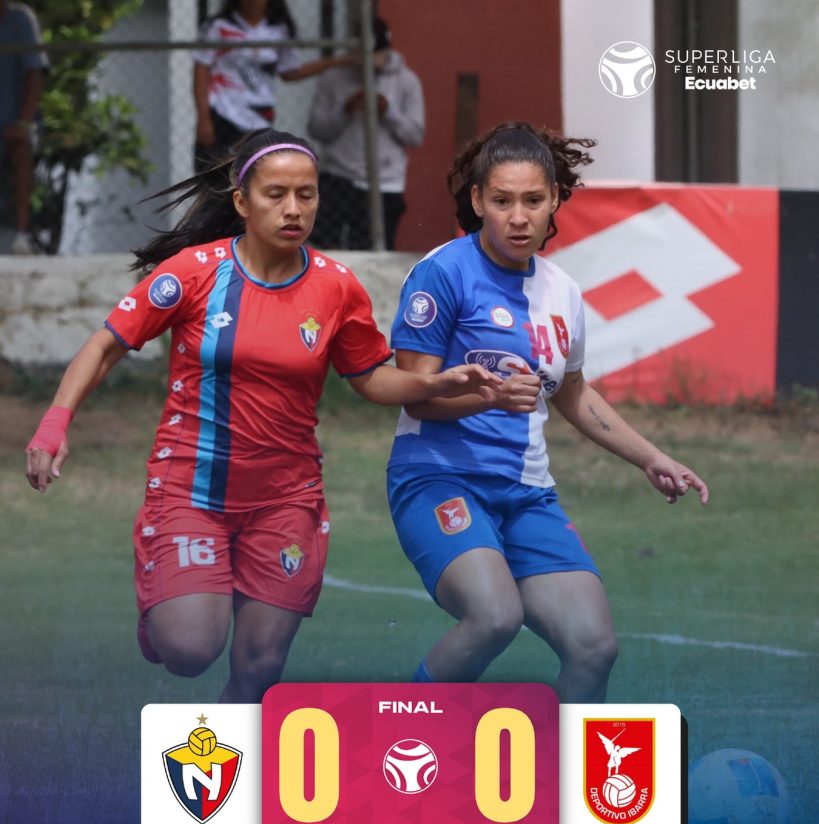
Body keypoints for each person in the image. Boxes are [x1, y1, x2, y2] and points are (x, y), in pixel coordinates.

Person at [24, 128, 499, 703]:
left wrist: (434, 382)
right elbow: (106, 344)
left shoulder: (337, 287)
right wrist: (55, 423)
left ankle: (230, 763)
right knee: (190, 650)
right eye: (276, 194)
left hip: (286, 500)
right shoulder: (194, 272)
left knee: (258, 670)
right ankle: (163, 612)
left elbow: (371, 377)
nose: (293, 209)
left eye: (307, 194)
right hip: (191, 493)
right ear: (242, 202)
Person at [386, 121, 710, 702]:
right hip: (439, 478)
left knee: (594, 647)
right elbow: (411, 392)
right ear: (477, 200)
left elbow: (572, 391)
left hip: (527, 493)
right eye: (503, 201)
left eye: (533, 200)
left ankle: (558, 764)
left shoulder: (562, 291)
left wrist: (651, 457)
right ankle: (406, 735)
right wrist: (486, 397)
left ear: (555, 199)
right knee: (494, 617)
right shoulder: (443, 272)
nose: (519, 217)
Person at [307, 17, 424, 250]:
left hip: (384, 182)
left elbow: (415, 136)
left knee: (375, 250)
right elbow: (317, 129)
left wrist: (388, 111)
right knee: (324, 247)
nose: (368, 70)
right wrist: (345, 110)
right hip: (339, 176)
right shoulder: (333, 78)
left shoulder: (406, 81)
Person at [193, 0, 352, 170]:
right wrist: (204, 118)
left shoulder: (278, 30)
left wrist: (334, 62)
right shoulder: (218, 26)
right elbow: (201, 70)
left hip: (259, 117)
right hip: (223, 113)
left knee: (253, 174)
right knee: (215, 175)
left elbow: (290, 72)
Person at [0, 0, 47, 255]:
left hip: (16, 121)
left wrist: (23, 123)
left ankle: (21, 235)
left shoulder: (20, 20)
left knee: (22, 149)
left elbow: (34, 74)